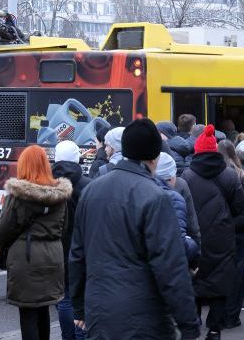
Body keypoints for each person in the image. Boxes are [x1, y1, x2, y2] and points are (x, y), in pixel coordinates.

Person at [69, 119, 200, 340]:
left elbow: (77, 255)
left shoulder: (91, 191)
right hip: (143, 318)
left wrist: (80, 306)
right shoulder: (157, 198)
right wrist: (188, 323)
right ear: (155, 157)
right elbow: (170, 267)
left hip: (98, 311)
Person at [0, 145, 73, 340]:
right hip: (53, 256)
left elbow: (3, 230)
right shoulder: (60, 195)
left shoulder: (19, 195)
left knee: (28, 313)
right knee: (44, 309)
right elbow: (64, 228)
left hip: (26, 259)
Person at [182, 125, 244, 340]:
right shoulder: (229, 175)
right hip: (222, 236)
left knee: (194, 279)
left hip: (194, 235)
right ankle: (215, 329)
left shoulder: (187, 176)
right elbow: (239, 207)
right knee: (220, 281)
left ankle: (195, 321)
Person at [217, 140, 244, 329]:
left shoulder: (212, 176)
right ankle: (232, 316)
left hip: (216, 231)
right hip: (239, 231)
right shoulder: (243, 177)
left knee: (218, 272)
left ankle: (217, 314)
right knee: (237, 273)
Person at [51, 141, 91, 340]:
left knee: (64, 296)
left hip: (56, 248)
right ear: (78, 158)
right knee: (80, 295)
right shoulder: (87, 184)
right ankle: (80, 334)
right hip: (82, 247)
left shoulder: (47, 184)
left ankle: (68, 336)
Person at [155, 152, 202, 255]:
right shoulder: (181, 185)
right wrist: (197, 254)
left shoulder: (141, 188)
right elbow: (192, 224)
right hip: (177, 252)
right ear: (172, 176)